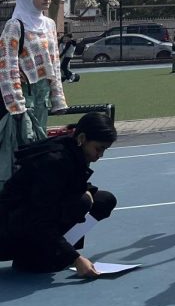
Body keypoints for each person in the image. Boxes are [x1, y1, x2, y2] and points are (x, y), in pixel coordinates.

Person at [0, 112, 117, 277]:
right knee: (81, 202)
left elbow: (73, 186)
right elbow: (38, 218)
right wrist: (74, 258)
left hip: (29, 220)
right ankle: (31, 255)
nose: (100, 155)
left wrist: (88, 191)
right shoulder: (54, 161)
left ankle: (54, 251)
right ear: (82, 138)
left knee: (104, 201)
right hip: (11, 231)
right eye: (98, 149)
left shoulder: (73, 150)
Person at [0, 0, 67, 188]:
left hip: (42, 94)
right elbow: (7, 64)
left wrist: (58, 99)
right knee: (24, 141)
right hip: (24, 93)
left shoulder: (49, 24)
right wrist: (16, 102)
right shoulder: (15, 25)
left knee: (40, 142)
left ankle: (36, 187)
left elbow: (54, 62)